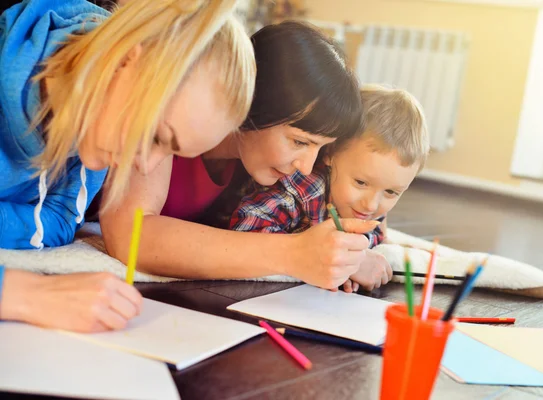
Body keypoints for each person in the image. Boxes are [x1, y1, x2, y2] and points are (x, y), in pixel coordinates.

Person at [0, 0, 255, 332]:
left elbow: (60, 221)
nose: (146, 166)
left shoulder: (92, 119)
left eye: (169, 153)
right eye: (155, 136)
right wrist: (26, 293)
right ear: (124, 58)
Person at [100, 21, 379, 290]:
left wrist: (348, 257)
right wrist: (294, 253)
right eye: (299, 141)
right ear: (257, 100)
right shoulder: (175, 121)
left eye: (319, 148)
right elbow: (129, 236)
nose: (305, 167)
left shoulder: (262, 165)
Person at [230, 86, 430, 292]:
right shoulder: (299, 191)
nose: (371, 204)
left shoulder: (369, 205)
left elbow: (378, 232)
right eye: (360, 183)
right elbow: (245, 231)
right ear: (330, 154)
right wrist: (346, 261)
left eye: (391, 192)